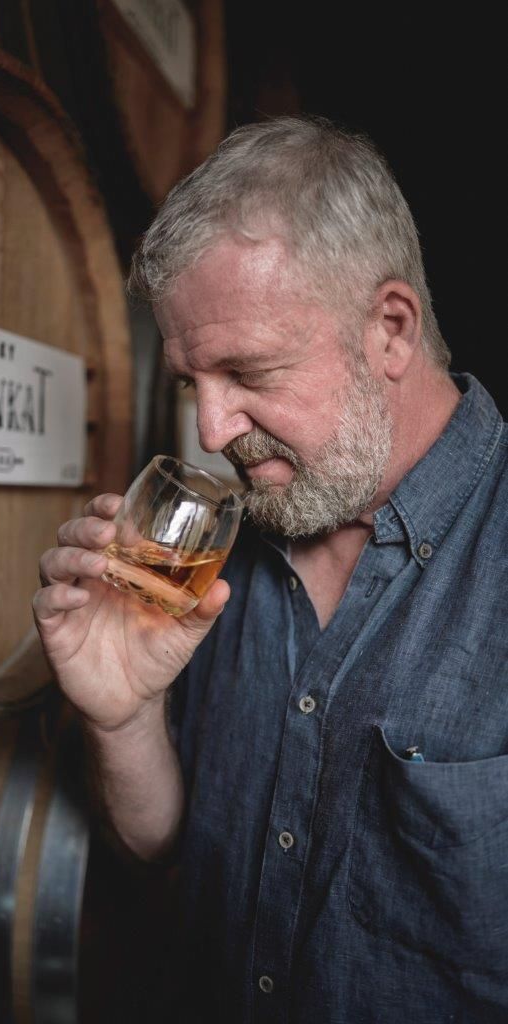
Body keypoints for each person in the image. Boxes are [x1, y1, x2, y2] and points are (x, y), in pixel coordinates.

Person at [32, 117, 508, 1023]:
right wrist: (125, 718)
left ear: (390, 330)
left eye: (247, 370)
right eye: (190, 384)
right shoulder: (219, 548)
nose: (211, 432)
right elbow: (163, 847)